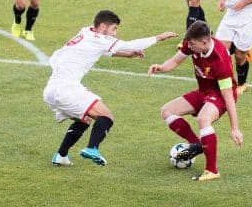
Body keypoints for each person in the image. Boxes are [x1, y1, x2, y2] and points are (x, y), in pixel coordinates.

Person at [44, 10, 177, 167]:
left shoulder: (87, 32)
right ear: (102, 27)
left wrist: (127, 55)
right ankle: (92, 148)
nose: (114, 33)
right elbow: (131, 44)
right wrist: (160, 37)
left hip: (51, 89)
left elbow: (103, 50)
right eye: (113, 29)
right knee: (106, 117)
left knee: (85, 119)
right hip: (66, 89)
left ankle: (61, 156)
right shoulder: (99, 39)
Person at [148, 20, 243, 181]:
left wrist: (235, 128)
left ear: (204, 42)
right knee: (167, 111)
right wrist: (162, 67)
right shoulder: (192, 42)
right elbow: (175, 60)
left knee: (203, 119)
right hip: (203, 91)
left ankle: (212, 171)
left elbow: (228, 95)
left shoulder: (220, 60)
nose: (189, 47)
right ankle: (197, 145)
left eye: (192, 44)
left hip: (220, 95)